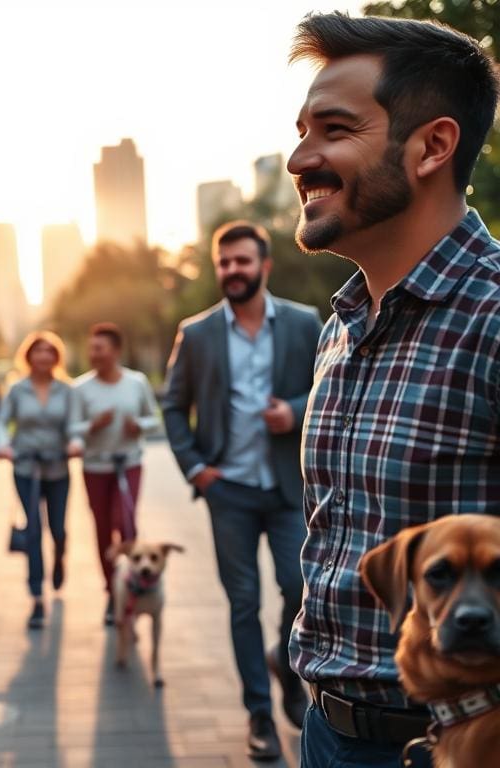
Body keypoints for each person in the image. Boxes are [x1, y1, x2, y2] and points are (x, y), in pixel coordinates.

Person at [285, 13, 500, 767]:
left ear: (432, 147)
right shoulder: (341, 323)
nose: (297, 158)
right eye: (301, 129)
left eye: (332, 130)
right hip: (325, 733)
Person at [162, 220, 322, 760]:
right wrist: (194, 469)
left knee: (299, 588)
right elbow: (171, 404)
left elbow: (328, 388)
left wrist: (293, 412)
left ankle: (285, 661)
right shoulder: (198, 331)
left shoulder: (304, 323)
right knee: (242, 602)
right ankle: (259, 711)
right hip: (226, 489)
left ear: (264, 266)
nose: (232, 271)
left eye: (242, 261)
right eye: (224, 263)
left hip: (284, 489)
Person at [69, 322, 160, 626]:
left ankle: (135, 588)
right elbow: (71, 429)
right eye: (91, 348)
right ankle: (112, 591)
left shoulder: (136, 382)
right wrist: (91, 427)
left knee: (126, 522)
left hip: (129, 463)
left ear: (116, 351)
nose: (93, 354)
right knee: (103, 529)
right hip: (96, 466)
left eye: (100, 348)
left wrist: (139, 427)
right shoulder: (80, 389)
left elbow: (152, 418)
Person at [0, 331, 75, 629]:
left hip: (58, 468)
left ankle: (61, 556)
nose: (43, 356)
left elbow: (74, 425)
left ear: (56, 357)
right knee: (33, 532)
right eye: (37, 351)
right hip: (26, 467)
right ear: (28, 356)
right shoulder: (17, 390)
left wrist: (75, 442)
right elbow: (1, 422)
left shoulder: (66, 390)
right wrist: (3, 445)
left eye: (49, 351)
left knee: (57, 529)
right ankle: (37, 597)